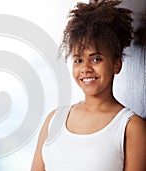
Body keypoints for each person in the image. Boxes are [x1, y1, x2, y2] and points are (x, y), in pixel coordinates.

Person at [31, 0, 146, 171]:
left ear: (117, 64)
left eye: (96, 59)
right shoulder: (54, 120)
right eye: (78, 60)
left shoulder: (131, 127)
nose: (85, 68)